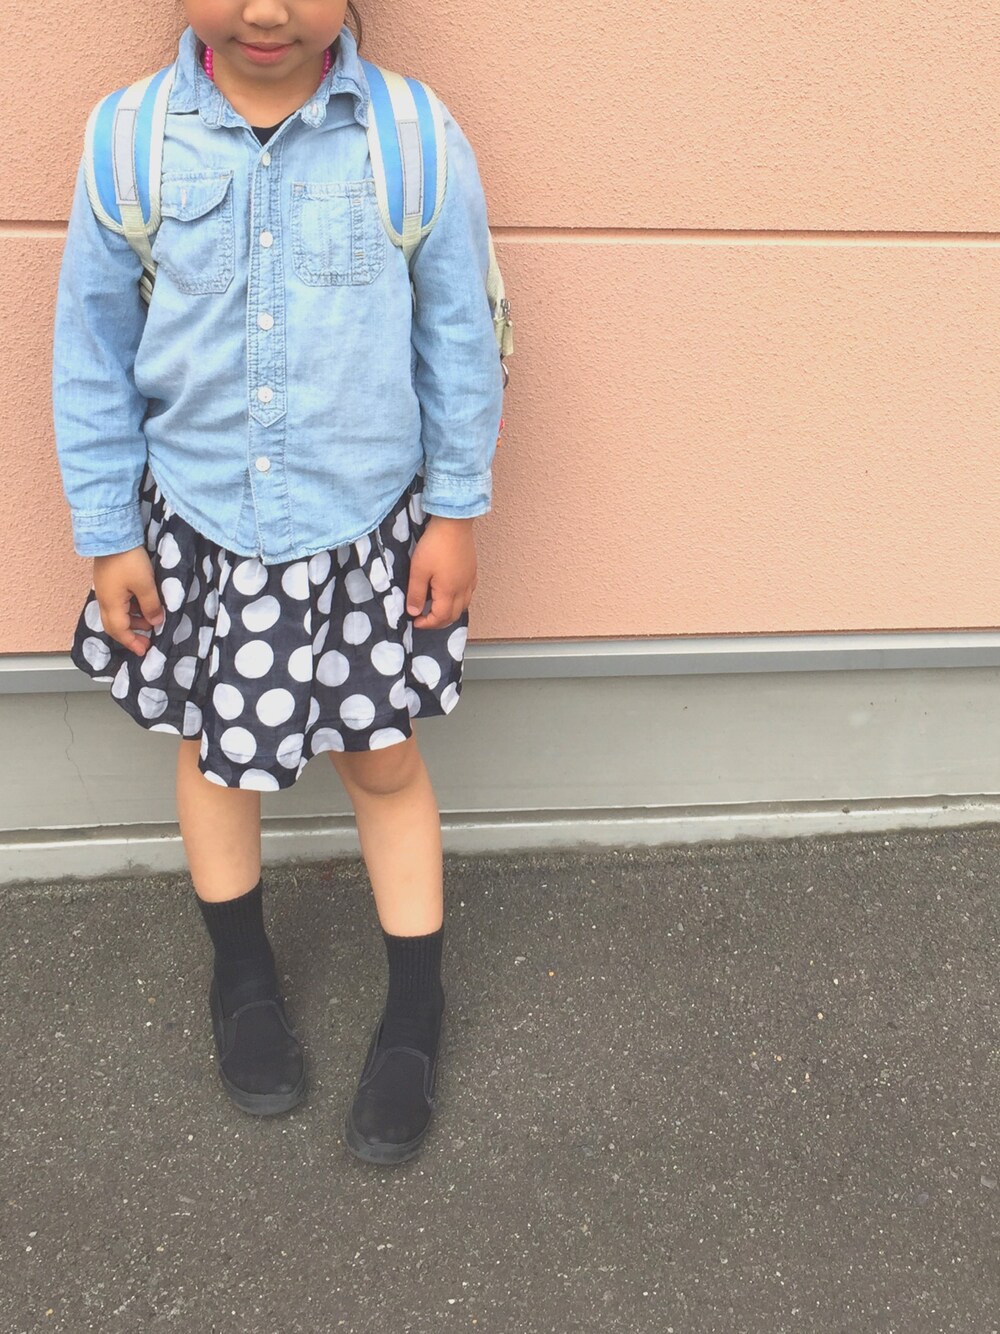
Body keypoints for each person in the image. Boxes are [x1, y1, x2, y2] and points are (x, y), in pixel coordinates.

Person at [51, 0, 505, 1166]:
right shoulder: (130, 143)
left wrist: (457, 510)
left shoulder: (410, 138)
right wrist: (108, 533)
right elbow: (92, 354)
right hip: (202, 529)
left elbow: (460, 337)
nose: (265, 10)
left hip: (365, 533)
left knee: (384, 760)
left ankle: (415, 1003)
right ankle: (242, 974)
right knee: (214, 755)